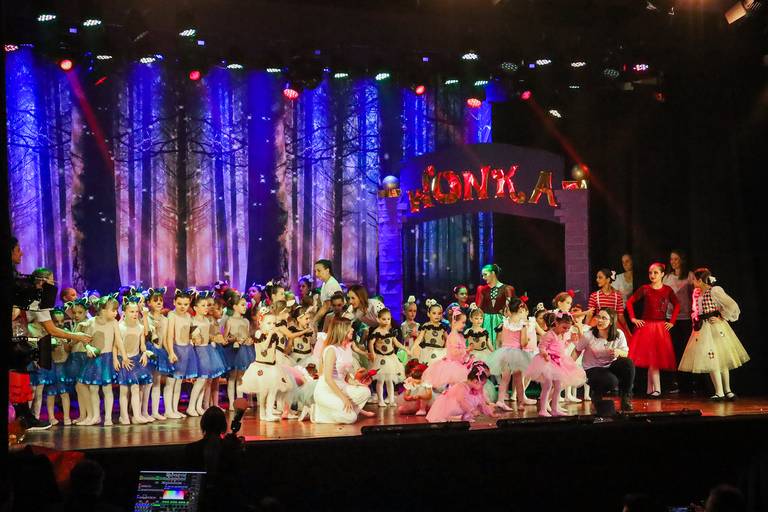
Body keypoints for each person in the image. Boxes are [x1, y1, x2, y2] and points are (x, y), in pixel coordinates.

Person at [678, 268, 749, 401]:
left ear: (700, 280)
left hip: (715, 328)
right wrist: (695, 321)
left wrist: (721, 317)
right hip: (703, 328)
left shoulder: (714, 291)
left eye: (694, 279)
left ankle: (727, 390)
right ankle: (719, 391)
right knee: (712, 359)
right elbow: (696, 310)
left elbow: (732, 305)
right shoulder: (696, 293)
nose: (692, 282)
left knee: (721, 360)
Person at [626, 262, 680, 397]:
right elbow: (629, 302)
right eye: (650, 273)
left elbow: (677, 304)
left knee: (654, 359)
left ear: (662, 274)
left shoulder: (667, 290)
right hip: (647, 327)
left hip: (660, 328)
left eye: (656, 272)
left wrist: (672, 322)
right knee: (651, 358)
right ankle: (653, 389)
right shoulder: (645, 288)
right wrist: (633, 319)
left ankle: (654, 389)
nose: (652, 275)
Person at [309, 317, 374, 424]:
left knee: (365, 392)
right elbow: (328, 379)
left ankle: (343, 412)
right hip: (327, 390)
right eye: (350, 327)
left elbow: (345, 372)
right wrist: (344, 398)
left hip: (341, 387)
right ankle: (317, 414)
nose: (353, 329)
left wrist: (355, 382)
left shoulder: (347, 348)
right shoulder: (331, 350)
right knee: (351, 418)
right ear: (341, 330)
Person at [79, 293, 128, 426]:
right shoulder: (91, 322)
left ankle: (108, 417)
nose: (116, 313)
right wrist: (88, 347)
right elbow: (85, 339)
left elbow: (118, 340)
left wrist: (124, 356)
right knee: (93, 388)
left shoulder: (114, 322)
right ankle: (96, 416)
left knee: (107, 389)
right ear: (103, 310)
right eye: (113, 310)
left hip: (107, 359)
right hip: (95, 359)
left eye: (116, 310)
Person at [525, 312, 586, 417]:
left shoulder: (561, 335)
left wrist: (570, 340)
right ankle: (543, 409)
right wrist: (544, 353)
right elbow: (541, 346)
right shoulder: (550, 334)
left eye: (568, 328)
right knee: (547, 385)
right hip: (548, 362)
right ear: (556, 323)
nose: (566, 330)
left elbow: (561, 346)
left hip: (558, 362)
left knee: (558, 386)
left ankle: (554, 409)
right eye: (564, 327)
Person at [574, 307, 635, 412]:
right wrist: (567, 364)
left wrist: (618, 352)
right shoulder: (589, 335)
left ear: (611, 322)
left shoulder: (619, 334)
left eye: (604, 318)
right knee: (612, 381)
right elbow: (577, 350)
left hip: (610, 366)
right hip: (593, 368)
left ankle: (626, 398)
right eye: (598, 317)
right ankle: (596, 394)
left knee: (628, 363)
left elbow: (625, 353)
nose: (599, 320)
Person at [488, 297, 536, 411]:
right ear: (520, 308)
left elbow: (503, 339)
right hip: (516, 353)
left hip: (505, 352)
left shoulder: (505, 322)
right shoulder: (522, 324)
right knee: (518, 379)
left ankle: (500, 400)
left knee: (505, 378)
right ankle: (520, 403)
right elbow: (523, 343)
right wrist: (527, 339)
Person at [663, 250, 695, 393]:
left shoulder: (689, 275)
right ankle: (675, 382)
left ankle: (688, 383)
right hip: (671, 318)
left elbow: (695, 294)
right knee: (673, 350)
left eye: (676, 259)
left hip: (686, 318)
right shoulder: (667, 277)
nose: (673, 262)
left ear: (682, 260)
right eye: (671, 259)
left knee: (686, 350)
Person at [426, 360, 497, 423]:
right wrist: (472, 410)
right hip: (448, 406)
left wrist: (489, 413)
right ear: (476, 381)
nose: (483, 387)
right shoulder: (462, 386)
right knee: (466, 401)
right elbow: (461, 401)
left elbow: (482, 402)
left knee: (474, 399)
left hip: (460, 405)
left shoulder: (475, 388)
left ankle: (465, 416)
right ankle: (453, 418)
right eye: (482, 384)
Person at [164, 288, 197, 419]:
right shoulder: (172, 315)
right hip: (175, 349)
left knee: (179, 382)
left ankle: (174, 409)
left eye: (185, 304)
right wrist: (171, 352)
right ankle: (168, 410)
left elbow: (188, 333)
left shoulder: (188, 316)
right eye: (179, 304)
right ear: (174, 302)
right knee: (171, 382)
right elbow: (169, 336)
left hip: (186, 350)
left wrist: (193, 339)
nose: (182, 307)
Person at [422, 308, 471, 390]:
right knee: (454, 387)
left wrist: (466, 355)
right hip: (452, 365)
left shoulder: (458, 335)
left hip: (457, 364)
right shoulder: (453, 336)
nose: (464, 325)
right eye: (463, 322)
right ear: (454, 322)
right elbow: (454, 352)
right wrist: (466, 350)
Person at [369, 308, 407, 406]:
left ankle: (391, 400)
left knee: (390, 380)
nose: (386, 321)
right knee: (380, 380)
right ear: (378, 319)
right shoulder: (376, 332)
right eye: (384, 319)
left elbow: (396, 343)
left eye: (388, 319)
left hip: (391, 358)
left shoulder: (391, 331)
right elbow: (371, 343)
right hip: (380, 358)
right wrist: (372, 353)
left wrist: (405, 349)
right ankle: (381, 400)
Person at [474, 263, 515, 348]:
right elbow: (479, 307)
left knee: (500, 345)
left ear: (493, 273)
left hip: (501, 321)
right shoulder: (482, 289)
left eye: (485, 274)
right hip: (486, 321)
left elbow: (511, 307)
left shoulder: (507, 288)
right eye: (482, 275)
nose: (483, 277)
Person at [311, 259, 343, 327]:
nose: (316, 274)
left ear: (327, 270)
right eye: (315, 271)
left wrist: (313, 321)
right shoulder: (325, 283)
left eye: (319, 271)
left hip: (335, 319)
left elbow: (326, 306)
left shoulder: (331, 284)